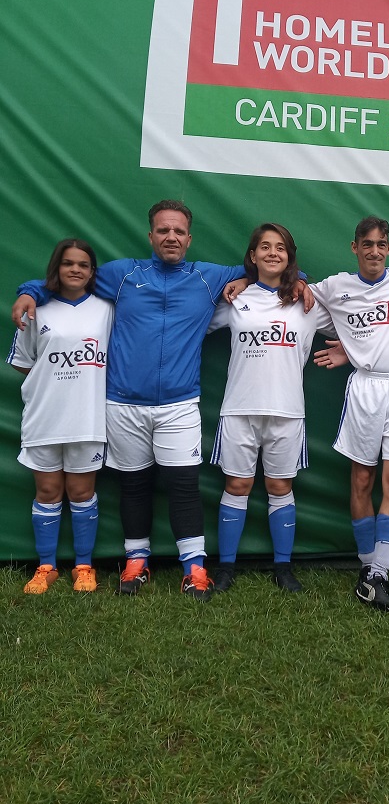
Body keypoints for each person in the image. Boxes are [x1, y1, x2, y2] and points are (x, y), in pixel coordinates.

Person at [12, 201, 247, 601]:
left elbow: (271, 269)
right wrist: (28, 291)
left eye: (178, 231)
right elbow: (68, 280)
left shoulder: (211, 278)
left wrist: (291, 281)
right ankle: (136, 563)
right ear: (151, 235)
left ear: (190, 238)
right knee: (134, 485)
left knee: (184, 485)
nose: (170, 237)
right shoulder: (122, 275)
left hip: (179, 403)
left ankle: (194, 569)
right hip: (122, 404)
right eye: (162, 230)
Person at [311, 216, 389, 612]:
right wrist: (244, 281)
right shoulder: (335, 287)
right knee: (362, 479)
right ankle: (368, 569)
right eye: (367, 244)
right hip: (364, 388)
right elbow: (296, 293)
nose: (375, 251)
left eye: (382, 244)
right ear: (355, 247)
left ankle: (379, 572)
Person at [207, 223, 332, 594]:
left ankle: (283, 568)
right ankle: (226, 568)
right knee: (237, 485)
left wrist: (346, 349)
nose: (272, 253)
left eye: (280, 248)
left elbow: (350, 328)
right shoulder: (235, 300)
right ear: (252, 256)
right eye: (264, 247)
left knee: (280, 486)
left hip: (287, 411)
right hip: (239, 410)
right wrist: (241, 283)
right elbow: (193, 324)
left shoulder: (305, 302)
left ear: (290, 257)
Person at [7, 239, 113, 594]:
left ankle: (84, 566)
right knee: (48, 491)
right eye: (68, 263)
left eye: (83, 264)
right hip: (45, 416)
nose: (75, 269)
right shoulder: (36, 309)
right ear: (57, 267)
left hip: (88, 417)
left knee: (81, 492)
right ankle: (46, 566)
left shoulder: (106, 309)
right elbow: (24, 365)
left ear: (92, 271)